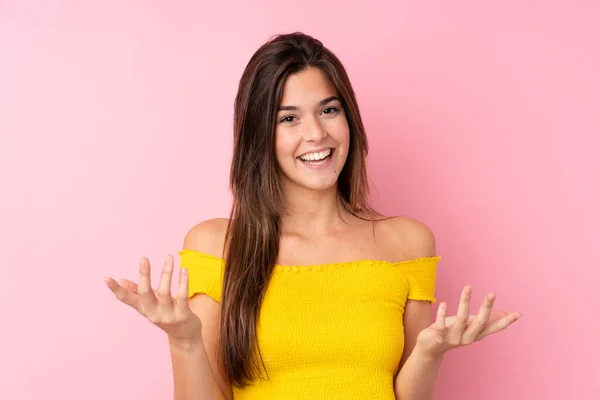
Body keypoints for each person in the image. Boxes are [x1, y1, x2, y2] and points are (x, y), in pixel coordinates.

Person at [104, 32, 521, 400]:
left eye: (328, 110)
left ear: (349, 118)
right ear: (259, 135)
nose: (316, 134)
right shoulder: (217, 245)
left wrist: (430, 352)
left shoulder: (407, 243)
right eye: (289, 118)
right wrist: (185, 342)